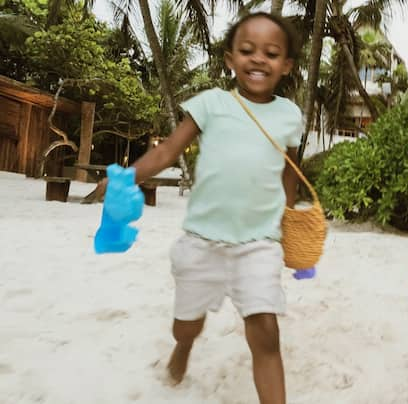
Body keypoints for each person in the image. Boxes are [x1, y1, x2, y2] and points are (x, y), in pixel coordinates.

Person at [94, 12, 301, 404]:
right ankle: (184, 347)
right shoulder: (211, 103)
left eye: (271, 53)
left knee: (265, 331)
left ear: (286, 65)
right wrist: (124, 178)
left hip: (259, 242)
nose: (258, 59)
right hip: (201, 241)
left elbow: (289, 171)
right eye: (247, 50)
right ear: (229, 59)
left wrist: (289, 218)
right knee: (186, 326)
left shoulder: (290, 115)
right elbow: (168, 152)